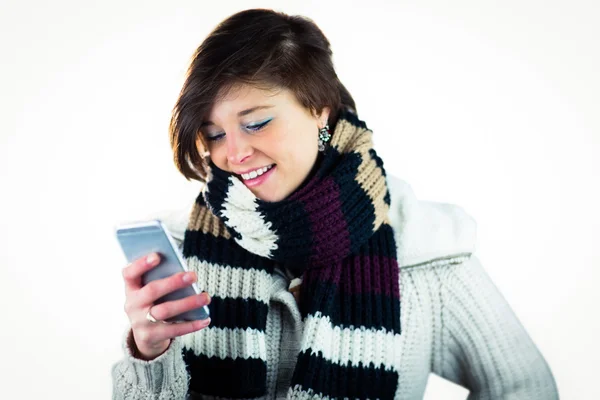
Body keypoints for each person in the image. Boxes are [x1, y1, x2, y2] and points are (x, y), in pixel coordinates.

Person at [111, 8, 559, 400]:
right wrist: (149, 354)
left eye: (257, 123)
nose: (233, 153)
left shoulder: (423, 246)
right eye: (214, 134)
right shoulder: (182, 251)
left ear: (320, 109)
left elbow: (524, 387)